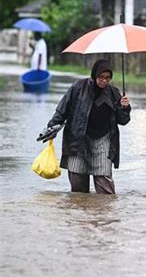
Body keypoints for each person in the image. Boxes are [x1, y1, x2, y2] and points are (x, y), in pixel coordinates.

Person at [37, 59, 131, 194]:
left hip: (103, 141)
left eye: (108, 78)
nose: (104, 81)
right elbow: (62, 111)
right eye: (101, 77)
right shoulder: (78, 88)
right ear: (95, 75)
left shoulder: (113, 93)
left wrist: (124, 107)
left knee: (105, 188)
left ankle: (105, 215)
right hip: (78, 141)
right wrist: (51, 128)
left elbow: (123, 121)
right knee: (78, 191)